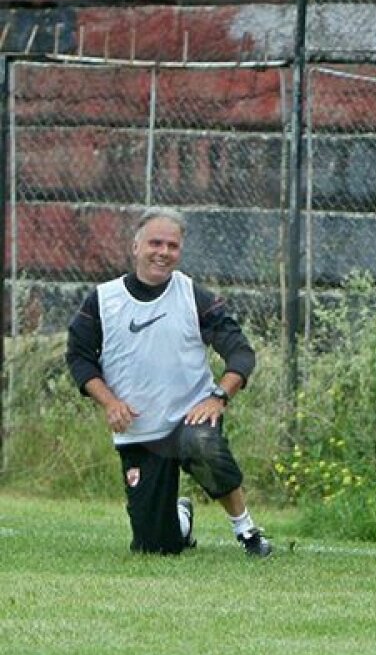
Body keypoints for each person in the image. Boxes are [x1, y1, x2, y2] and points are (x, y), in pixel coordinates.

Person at [65, 207, 271, 557]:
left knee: (201, 442)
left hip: (189, 419)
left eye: (172, 246)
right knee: (153, 548)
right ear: (135, 247)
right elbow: (79, 357)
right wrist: (110, 403)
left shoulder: (193, 296)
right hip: (140, 432)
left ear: (180, 251)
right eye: (155, 243)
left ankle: (248, 532)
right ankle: (180, 519)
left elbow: (240, 352)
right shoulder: (104, 300)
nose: (163, 252)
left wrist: (218, 397)